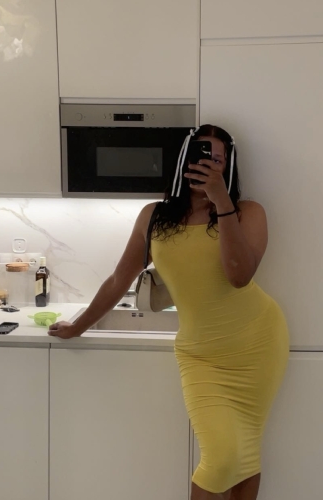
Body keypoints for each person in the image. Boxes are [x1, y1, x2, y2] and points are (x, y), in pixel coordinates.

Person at [48, 124, 289, 500]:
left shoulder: (248, 212)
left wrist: (221, 201)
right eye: (201, 156)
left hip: (257, 343)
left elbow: (239, 276)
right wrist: (78, 326)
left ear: (228, 167)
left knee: (245, 451)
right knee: (222, 457)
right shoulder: (154, 217)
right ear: (184, 160)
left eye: (218, 160)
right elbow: (119, 279)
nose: (208, 165)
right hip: (200, 355)